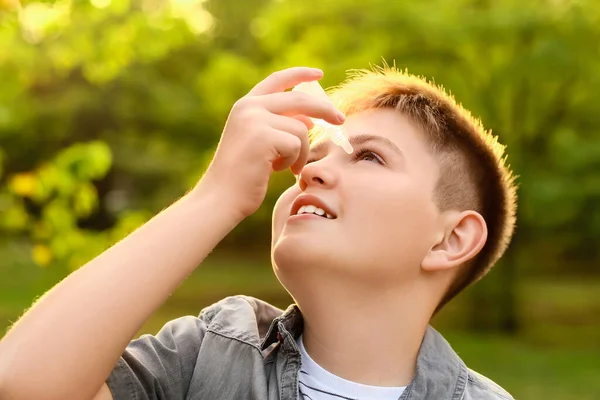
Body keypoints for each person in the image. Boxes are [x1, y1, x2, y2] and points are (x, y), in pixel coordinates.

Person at [0, 65, 517, 400]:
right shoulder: (207, 354)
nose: (309, 172)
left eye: (369, 156)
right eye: (312, 157)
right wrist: (217, 196)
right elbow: (23, 384)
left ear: (450, 240)